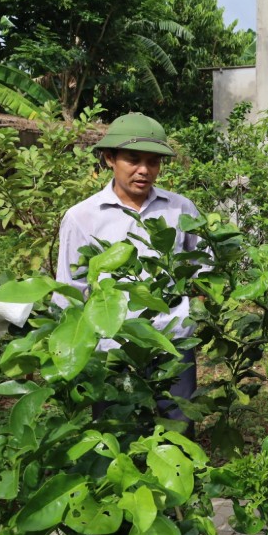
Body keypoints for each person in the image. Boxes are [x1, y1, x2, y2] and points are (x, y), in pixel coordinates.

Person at [55, 113, 200, 423]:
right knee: (114, 432)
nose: (144, 170)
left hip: (172, 341)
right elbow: (70, 290)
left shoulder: (180, 208)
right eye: (133, 160)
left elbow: (202, 264)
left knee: (178, 428)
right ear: (110, 158)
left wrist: (195, 307)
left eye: (153, 162)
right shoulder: (82, 217)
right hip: (113, 348)